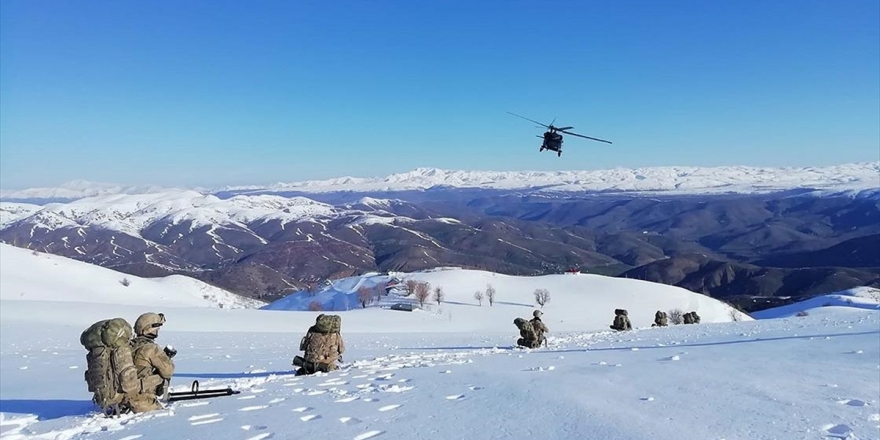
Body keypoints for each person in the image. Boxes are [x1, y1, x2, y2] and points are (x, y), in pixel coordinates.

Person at [129, 312, 176, 413]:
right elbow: (168, 371)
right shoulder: (151, 348)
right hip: (141, 402)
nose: (158, 330)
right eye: (157, 328)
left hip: (123, 399)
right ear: (149, 328)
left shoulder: (128, 346)